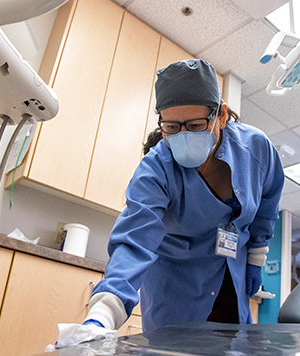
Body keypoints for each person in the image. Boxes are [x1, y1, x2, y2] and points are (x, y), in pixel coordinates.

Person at [83, 59, 285, 332]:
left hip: (231, 277)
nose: (184, 136)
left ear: (221, 116)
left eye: (195, 124)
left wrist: (256, 258)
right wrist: (103, 314)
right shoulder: (156, 169)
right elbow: (134, 239)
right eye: (172, 127)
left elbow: (267, 204)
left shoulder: (256, 149)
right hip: (174, 287)